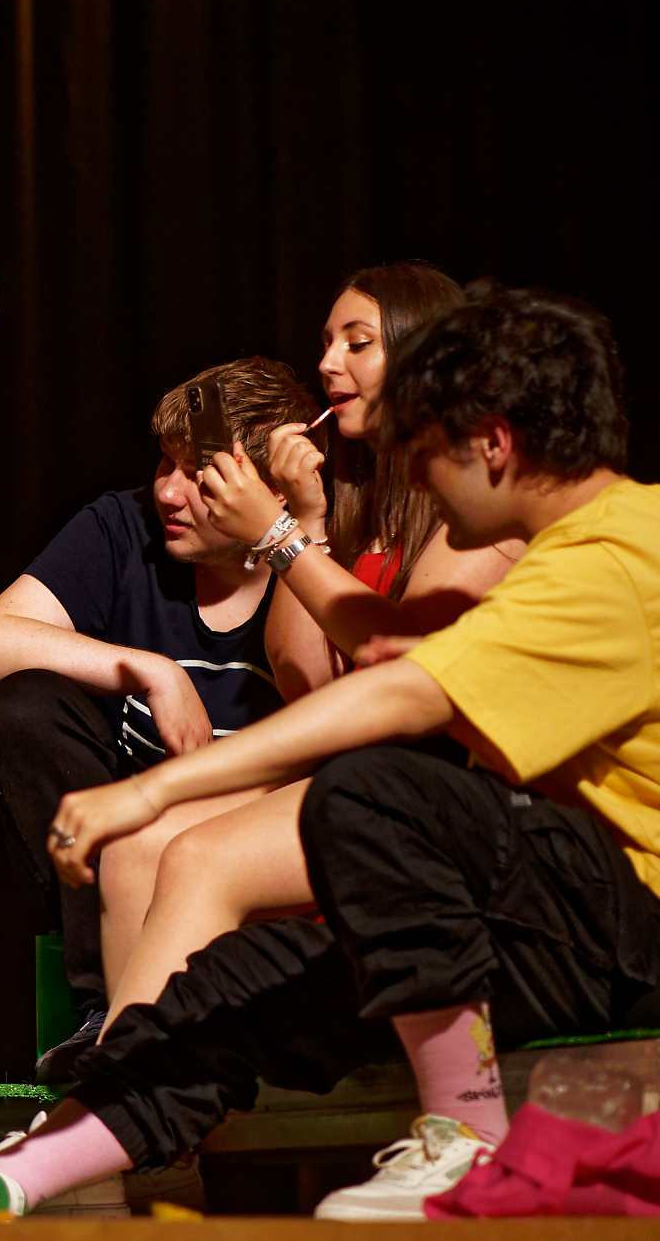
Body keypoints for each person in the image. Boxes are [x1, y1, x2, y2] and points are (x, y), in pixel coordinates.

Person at [0, 283, 660, 1221]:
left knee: (371, 789)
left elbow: (397, 694)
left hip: (625, 922)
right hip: (529, 919)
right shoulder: (566, 551)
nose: (415, 474)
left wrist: (152, 790)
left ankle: (468, 1138)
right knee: (237, 989)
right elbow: (373, 651)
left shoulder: (622, 554)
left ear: (493, 443)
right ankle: (26, 1175)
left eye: (427, 451)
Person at [94, 262, 524, 1029]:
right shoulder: (358, 503)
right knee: (130, 852)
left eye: (357, 344)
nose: (328, 363)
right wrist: (307, 520)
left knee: (195, 856)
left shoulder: (477, 514)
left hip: (436, 795)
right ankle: (139, 1084)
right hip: (353, 775)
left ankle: (133, 1087)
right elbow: (302, 677)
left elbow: (396, 674)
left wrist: (278, 536)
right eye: (327, 342)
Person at [0, 357, 317, 1078]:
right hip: (122, 856)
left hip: (254, 856)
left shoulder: (322, 556)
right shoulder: (125, 528)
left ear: (268, 489)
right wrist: (151, 669)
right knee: (22, 706)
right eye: (164, 464)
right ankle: (106, 1004)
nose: (168, 492)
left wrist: (298, 539)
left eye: (199, 475)